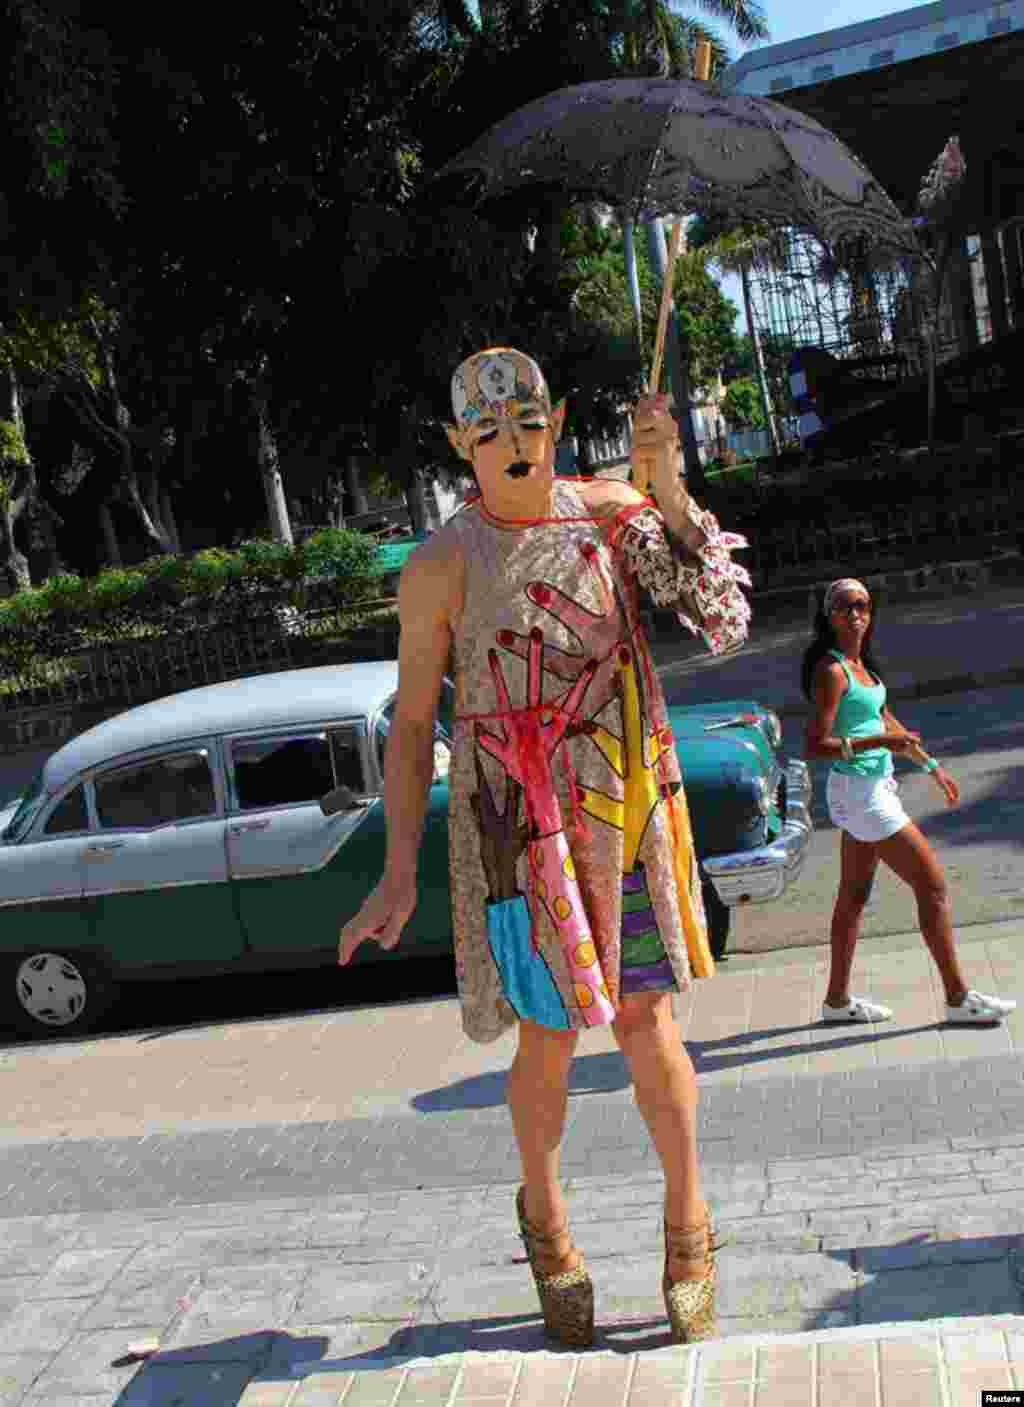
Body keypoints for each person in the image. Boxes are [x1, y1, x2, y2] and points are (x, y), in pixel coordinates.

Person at [338, 348, 751, 1347]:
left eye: (529, 423)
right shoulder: (440, 564)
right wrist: (398, 866)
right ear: (457, 446)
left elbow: (719, 618)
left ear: (558, 422)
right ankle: (546, 1218)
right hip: (517, 834)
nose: (513, 445)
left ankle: (687, 1222)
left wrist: (664, 485)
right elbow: (411, 725)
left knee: (648, 1016)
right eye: (488, 433)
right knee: (552, 1036)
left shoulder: (612, 515)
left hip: (625, 808)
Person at [802, 578, 1016, 1026]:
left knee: (853, 899)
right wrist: (879, 740)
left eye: (862, 605)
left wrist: (930, 765)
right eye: (845, 608)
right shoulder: (832, 670)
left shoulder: (863, 668)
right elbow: (816, 745)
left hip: (869, 788)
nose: (856, 614)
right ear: (830, 617)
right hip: (861, 795)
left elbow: (884, 717)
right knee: (933, 886)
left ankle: (836, 1002)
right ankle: (958, 998)